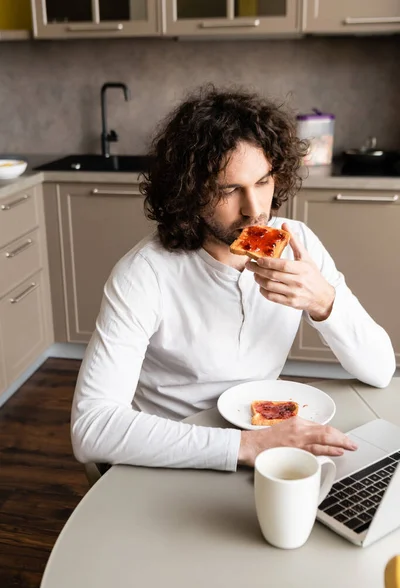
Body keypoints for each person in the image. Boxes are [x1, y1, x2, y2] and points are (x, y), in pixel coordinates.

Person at [71, 86, 396, 471]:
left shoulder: (298, 243)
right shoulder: (144, 274)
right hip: (165, 452)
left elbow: (380, 370)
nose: (255, 210)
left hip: (259, 439)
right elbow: (90, 428)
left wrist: (325, 301)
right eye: (229, 190)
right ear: (189, 192)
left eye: (263, 182)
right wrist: (245, 446)